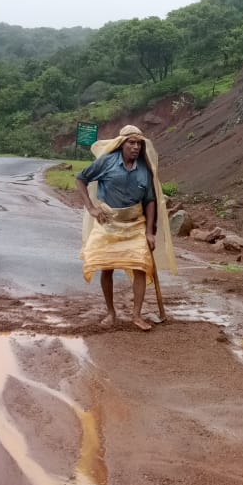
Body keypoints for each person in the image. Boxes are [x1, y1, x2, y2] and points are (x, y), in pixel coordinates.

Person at [75, 124, 176, 331]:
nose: (136, 147)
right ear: (121, 144)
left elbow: (150, 201)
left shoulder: (145, 169)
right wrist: (91, 208)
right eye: (131, 142)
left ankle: (136, 315)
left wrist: (149, 232)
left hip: (135, 224)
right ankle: (111, 313)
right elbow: (81, 179)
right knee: (106, 266)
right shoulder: (106, 162)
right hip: (108, 223)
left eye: (139, 143)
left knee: (140, 265)